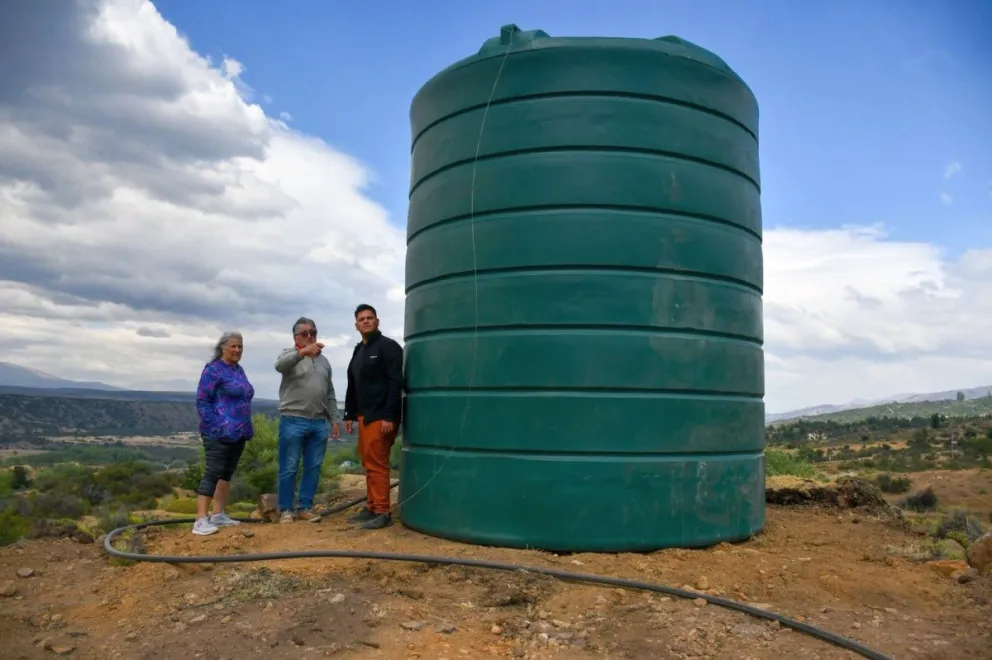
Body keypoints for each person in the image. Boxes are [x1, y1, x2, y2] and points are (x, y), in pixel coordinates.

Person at [274, 316, 341, 523]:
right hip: (293, 419)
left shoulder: (324, 361)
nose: (310, 336)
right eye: (305, 333)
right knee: (289, 467)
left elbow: (329, 391)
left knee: (313, 466)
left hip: (318, 421)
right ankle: (286, 509)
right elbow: (279, 366)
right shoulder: (289, 354)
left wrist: (334, 418)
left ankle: (305, 507)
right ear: (296, 337)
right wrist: (302, 352)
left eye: (313, 333)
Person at [344, 304, 404, 530]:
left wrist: (390, 416)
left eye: (370, 318)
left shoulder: (389, 347)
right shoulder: (359, 349)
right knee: (368, 462)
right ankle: (370, 507)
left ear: (377, 321)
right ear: (356, 324)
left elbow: (395, 383)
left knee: (377, 464)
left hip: (382, 416)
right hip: (363, 415)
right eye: (362, 319)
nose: (366, 321)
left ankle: (382, 511)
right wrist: (349, 414)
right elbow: (352, 383)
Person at [193, 331, 255, 536]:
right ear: (222, 347)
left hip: (238, 432)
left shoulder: (238, 370)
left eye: (240, 347)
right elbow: (202, 400)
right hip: (218, 432)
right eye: (233, 346)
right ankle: (201, 519)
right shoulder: (213, 370)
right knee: (213, 472)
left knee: (226, 473)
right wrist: (215, 425)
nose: (237, 350)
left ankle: (218, 514)